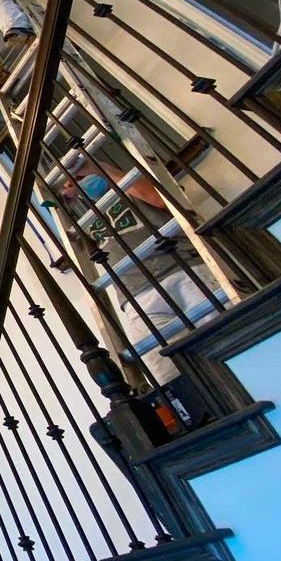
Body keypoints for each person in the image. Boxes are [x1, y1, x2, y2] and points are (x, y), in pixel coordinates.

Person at [58, 159, 222, 419]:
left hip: (181, 271)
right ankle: (206, 418)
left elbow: (161, 200)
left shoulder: (130, 187)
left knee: (224, 342)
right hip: (135, 298)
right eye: (74, 180)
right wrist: (70, 203)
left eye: (80, 177)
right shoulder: (89, 218)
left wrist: (102, 169)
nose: (79, 183)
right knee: (164, 371)